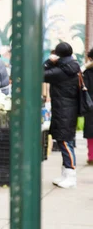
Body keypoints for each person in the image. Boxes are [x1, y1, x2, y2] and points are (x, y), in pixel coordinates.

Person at [44, 42, 81, 188]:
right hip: (67, 108)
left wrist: (48, 62)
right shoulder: (71, 66)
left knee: (65, 141)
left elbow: (39, 74)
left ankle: (70, 174)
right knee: (64, 140)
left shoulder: (62, 71)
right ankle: (66, 173)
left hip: (63, 109)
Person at [82, 48, 93, 165]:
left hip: (91, 105)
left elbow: (84, 89)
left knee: (91, 131)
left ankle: (91, 156)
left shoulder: (87, 73)